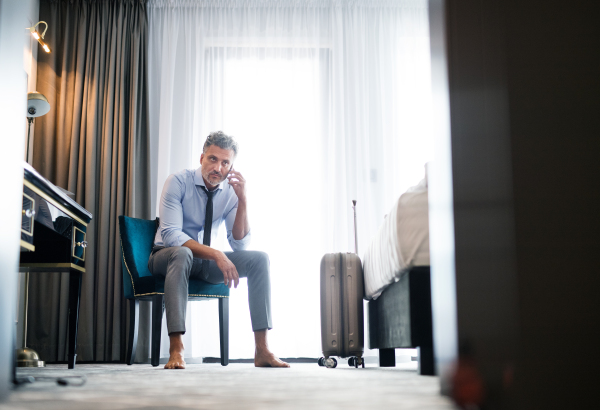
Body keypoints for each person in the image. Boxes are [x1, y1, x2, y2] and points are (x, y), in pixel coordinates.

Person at [148, 131, 289, 369]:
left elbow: (240, 245)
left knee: (259, 260)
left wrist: (243, 200)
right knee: (183, 254)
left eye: (225, 163)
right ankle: (176, 349)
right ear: (201, 157)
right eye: (213, 159)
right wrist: (216, 254)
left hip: (203, 263)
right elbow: (172, 235)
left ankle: (262, 350)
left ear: (231, 167)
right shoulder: (178, 181)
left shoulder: (230, 193)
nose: (218, 168)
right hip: (167, 256)